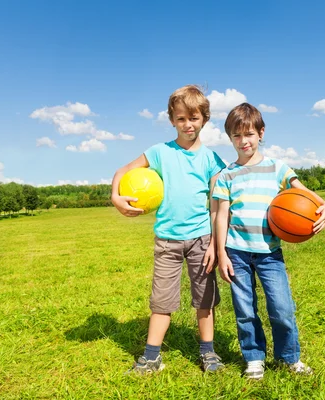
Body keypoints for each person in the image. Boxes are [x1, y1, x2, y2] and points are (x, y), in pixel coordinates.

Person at [111, 85, 227, 374]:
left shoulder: (212, 160)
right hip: (167, 240)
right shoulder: (159, 152)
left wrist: (215, 242)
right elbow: (122, 171)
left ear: (205, 119)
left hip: (202, 239)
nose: (188, 124)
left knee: (205, 300)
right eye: (181, 119)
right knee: (161, 301)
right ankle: (151, 357)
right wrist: (116, 196)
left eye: (194, 118)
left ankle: (208, 353)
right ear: (172, 120)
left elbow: (218, 204)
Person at [213, 103, 325, 380]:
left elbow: (304, 194)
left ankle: (289, 357)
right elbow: (221, 217)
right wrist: (222, 254)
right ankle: (254, 359)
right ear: (230, 139)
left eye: (249, 134)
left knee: (281, 309)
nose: (244, 141)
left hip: (269, 253)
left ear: (261, 133)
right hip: (237, 252)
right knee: (244, 311)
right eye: (237, 136)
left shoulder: (278, 168)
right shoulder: (226, 175)